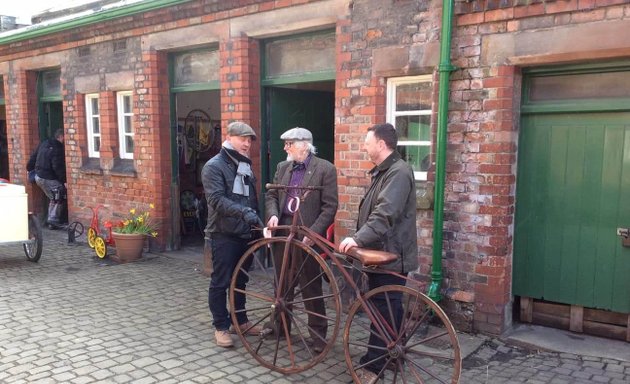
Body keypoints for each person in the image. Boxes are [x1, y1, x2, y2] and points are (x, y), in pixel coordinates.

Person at [339, 123, 418, 383]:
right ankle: (392, 355)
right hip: (380, 252)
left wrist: (357, 239)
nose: (364, 146)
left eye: (368, 142)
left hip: (390, 254)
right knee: (388, 306)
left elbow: (385, 214)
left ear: (381, 144)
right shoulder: (385, 171)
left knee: (383, 308)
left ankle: (373, 367)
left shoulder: (398, 172)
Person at [265, 127, 338, 353]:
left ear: (304, 145)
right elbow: (271, 195)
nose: (285, 148)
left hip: (307, 234)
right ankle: (280, 326)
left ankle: (317, 336)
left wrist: (312, 234)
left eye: (289, 143)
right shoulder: (282, 167)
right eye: (285, 144)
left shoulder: (325, 168)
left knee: (310, 286)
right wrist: (273, 214)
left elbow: (330, 207)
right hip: (284, 230)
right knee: (282, 283)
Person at [202, 121, 264, 348]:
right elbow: (217, 200)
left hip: (245, 233)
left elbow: (251, 198)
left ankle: (241, 321)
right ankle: (221, 326)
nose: (247, 144)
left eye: (249, 140)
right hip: (223, 233)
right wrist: (245, 213)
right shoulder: (214, 166)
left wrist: (256, 224)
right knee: (221, 282)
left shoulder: (245, 165)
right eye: (243, 139)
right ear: (229, 138)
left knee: (241, 280)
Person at [27, 128, 67, 229]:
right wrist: (64, 180)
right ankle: (53, 220)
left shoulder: (44, 143)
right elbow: (57, 166)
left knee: (53, 197)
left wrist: (29, 169)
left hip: (39, 176)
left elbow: (33, 157)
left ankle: (51, 221)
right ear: (61, 137)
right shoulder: (58, 148)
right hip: (47, 177)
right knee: (59, 194)